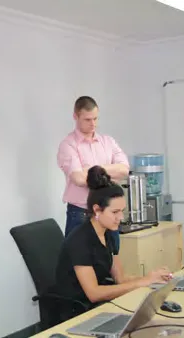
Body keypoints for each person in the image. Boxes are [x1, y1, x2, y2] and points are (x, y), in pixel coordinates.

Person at [55, 166, 172, 320]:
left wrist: (152, 278)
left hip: (99, 306)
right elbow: (94, 294)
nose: (121, 218)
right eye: (115, 212)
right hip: (76, 312)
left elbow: (120, 279)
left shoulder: (108, 232)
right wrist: (144, 281)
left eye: (122, 211)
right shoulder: (79, 240)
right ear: (97, 210)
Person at [57, 96, 129, 251]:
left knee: (111, 258)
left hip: (108, 212)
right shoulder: (68, 145)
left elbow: (124, 169)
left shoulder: (108, 142)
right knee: (77, 261)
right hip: (81, 213)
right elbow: (79, 178)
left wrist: (93, 169)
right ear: (75, 116)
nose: (93, 124)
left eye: (96, 119)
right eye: (87, 119)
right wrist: (110, 169)